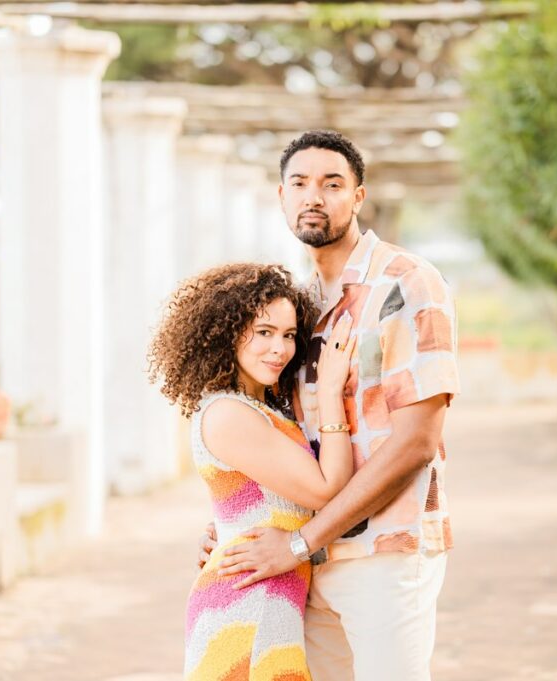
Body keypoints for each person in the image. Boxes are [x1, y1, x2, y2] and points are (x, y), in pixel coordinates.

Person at [199, 130, 461, 681]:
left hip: (383, 551)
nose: (313, 196)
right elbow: (280, 436)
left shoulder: (407, 284)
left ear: (358, 197)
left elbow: (414, 442)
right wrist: (239, 517)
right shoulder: (295, 304)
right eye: (300, 183)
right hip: (309, 565)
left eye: (332, 183)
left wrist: (299, 541)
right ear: (281, 196)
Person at [148, 262, 357, 680]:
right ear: (228, 333)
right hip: (247, 607)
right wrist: (330, 390)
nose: (279, 349)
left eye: (288, 335)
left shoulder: (260, 410)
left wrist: (223, 529)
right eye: (263, 332)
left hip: (268, 597)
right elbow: (325, 489)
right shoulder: (229, 412)